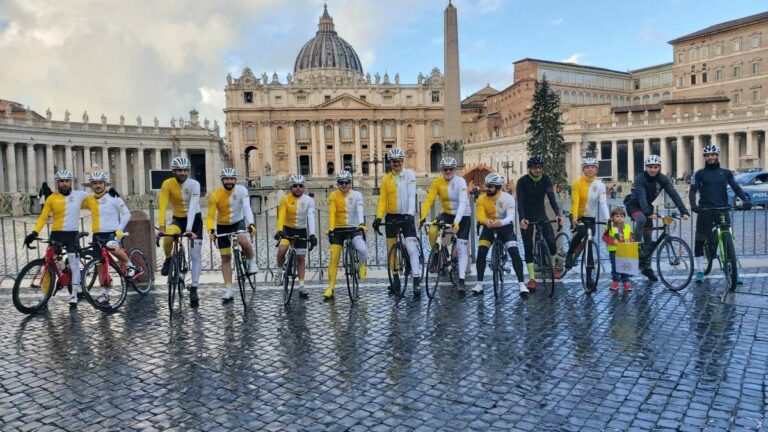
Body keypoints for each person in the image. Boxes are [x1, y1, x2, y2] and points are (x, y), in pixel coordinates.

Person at [24, 170, 90, 305]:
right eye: (61, 181)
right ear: (57, 183)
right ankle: (45, 295)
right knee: (48, 263)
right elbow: (43, 217)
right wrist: (34, 233)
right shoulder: (51, 198)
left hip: (72, 234)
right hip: (57, 234)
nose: (64, 184)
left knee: (74, 265)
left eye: (67, 181)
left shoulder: (79, 195)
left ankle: (74, 295)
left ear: (71, 182)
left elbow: (97, 198)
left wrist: (110, 194)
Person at [689, 144, 751, 283]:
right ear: (705, 157)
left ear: (717, 156)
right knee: (700, 239)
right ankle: (699, 270)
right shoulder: (699, 173)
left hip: (722, 208)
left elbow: (735, 187)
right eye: (707, 155)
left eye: (713, 155)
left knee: (728, 241)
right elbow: (693, 190)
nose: (710, 157)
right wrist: (693, 205)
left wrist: (745, 199)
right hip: (705, 209)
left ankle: (733, 271)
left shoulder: (726, 172)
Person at [623, 154, 689, 282]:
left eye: (655, 167)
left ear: (659, 168)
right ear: (646, 167)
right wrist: (647, 212)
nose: (652, 170)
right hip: (634, 206)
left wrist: (683, 211)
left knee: (649, 241)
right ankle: (636, 248)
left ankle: (646, 268)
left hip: (647, 208)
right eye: (650, 167)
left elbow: (673, 193)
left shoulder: (663, 179)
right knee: (641, 220)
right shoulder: (640, 178)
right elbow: (641, 196)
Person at [372, 148, 422, 297]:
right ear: (390, 162)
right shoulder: (386, 179)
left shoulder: (409, 175)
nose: (396, 164)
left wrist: (410, 214)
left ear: (402, 161)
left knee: (411, 248)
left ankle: (416, 280)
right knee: (391, 250)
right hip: (392, 217)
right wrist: (378, 218)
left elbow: (412, 196)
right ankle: (395, 280)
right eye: (394, 161)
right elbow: (382, 200)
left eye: (399, 161)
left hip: (407, 216)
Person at [156, 156, 204, 307]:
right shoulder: (167, 184)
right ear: (174, 171)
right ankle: (168, 259)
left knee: (195, 255)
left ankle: (194, 288)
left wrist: (189, 229)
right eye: (179, 170)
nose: (182, 173)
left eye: (185, 170)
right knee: (168, 237)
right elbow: (163, 205)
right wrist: (161, 227)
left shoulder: (194, 184)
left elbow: (193, 206)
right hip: (178, 219)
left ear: (188, 171)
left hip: (195, 221)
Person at [419, 156, 471, 293]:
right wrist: (423, 216)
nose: (448, 171)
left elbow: (463, 202)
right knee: (432, 230)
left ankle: (461, 280)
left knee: (461, 246)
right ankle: (437, 254)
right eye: (445, 169)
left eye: (450, 169)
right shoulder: (437, 182)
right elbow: (429, 200)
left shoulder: (460, 182)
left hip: (463, 215)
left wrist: (457, 222)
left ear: (454, 170)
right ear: (442, 170)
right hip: (447, 213)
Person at [82, 171, 135, 304]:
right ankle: (104, 293)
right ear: (91, 185)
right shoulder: (89, 199)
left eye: (100, 183)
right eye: (95, 183)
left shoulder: (113, 197)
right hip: (97, 235)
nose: (98, 185)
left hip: (113, 232)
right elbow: (73, 203)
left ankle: (130, 265)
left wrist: (119, 230)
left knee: (111, 246)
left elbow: (126, 214)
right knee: (100, 265)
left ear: (105, 184)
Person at [206, 168, 258, 302]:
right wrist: (211, 230)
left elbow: (246, 207)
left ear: (235, 180)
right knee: (225, 258)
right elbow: (210, 216)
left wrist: (251, 223)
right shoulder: (215, 195)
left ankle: (251, 261)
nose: (229, 181)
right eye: (226, 179)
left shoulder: (242, 190)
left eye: (231, 179)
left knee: (243, 240)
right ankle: (228, 289)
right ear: (222, 180)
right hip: (222, 226)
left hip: (238, 222)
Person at [472, 172, 528, 296]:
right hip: (488, 227)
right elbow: (479, 215)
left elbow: (511, 216)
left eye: (490, 186)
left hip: (505, 228)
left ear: (498, 187)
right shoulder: (481, 198)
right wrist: (486, 221)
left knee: (514, 252)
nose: (487, 188)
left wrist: (500, 223)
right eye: (486, 185)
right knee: (481, 252)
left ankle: (521, 284)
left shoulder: (508, 198)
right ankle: (479, 284)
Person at [517, 155, 563, 290]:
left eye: (540, 167)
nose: (538, 170)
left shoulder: (546, 179)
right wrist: (522, 218)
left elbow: (551, 198)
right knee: (528, 246)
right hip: (527, 216)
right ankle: (532, 278)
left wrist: (558, 214)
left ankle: (553, 266)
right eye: (535, 168)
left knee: (551, 241)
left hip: (541, 214)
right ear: (529, 168)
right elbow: (520, 202)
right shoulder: (522, 182)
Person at [564, 157, 610, 291]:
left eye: (593, 167)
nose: (590, 169)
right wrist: (575, 217)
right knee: (582, 232)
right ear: (583, 169)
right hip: (577, 215)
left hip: (590, 217)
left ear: (596, 169)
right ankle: (569, 254)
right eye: (587, 167)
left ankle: (589, 275)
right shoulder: (577, 183)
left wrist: (608, 218)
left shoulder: (600, 185)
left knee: (590, 243)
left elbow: (603, 203)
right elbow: (575, 201)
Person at [324, 171, 368, 299]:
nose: (343, 185)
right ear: (337, 183)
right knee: (334, 259)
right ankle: (331, 287)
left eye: (346, 182)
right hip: (338, 229)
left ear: (350, 183)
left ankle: (362, 264)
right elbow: (332, 212)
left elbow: (360, 210)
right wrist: (331, 227)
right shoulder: (333, 195)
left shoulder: (357, 195)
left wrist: (361, 223)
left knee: (363, 250)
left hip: (354, 228)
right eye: (341, 183)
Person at [275, 174, 317, 297]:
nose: (298, 188)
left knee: (301, 258)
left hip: (301, 230)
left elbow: (311, 217)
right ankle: (279, 271)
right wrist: (279, 230)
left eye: (300, 186)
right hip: (287, 229)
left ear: (304, 187)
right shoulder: (285, 199)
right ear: (291, 187)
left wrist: (312, 234)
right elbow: (281, 215)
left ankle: (302, 285)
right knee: (282, 250)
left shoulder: (309, 200)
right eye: (295, 186)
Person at [602, 207, 634, 292]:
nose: (619, 218)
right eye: (617, 216)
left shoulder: (627, 227)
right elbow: (604, 237)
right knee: (615, 266)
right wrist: (613, 241)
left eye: (621, 216)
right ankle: (615, 281)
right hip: (614, 250)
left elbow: (631, 237)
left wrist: (631, 243)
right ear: (612, 217)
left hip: (625, 250)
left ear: (624, 217)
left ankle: (626, 281)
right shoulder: (610, 226)